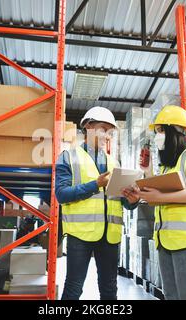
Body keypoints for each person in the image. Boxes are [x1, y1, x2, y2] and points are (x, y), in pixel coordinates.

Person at [130, 105, 186, 300]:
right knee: (171, 295)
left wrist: (159, 197)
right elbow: (162, 194)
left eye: (161, 131)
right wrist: (148, 172)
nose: (157, 136)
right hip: (167, 241)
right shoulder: (167, 167)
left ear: (175, 132)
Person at [55, 106, 140, 300]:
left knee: (110, 289)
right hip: (81, 234)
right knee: (73, 288)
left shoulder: (114, 163)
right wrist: (95, 184)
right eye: (103, 129)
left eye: (110, 132)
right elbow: (61, 194)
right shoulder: (68, 157)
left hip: (110, 235)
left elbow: (120, 201)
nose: (107, 136)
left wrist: (132, 202)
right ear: (88, 126)